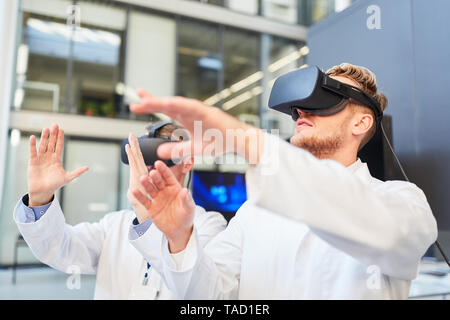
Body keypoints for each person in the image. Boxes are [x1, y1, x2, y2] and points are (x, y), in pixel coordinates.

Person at [127, 63, 438, 299]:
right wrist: (180, 238)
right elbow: (207, 293)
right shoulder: (254, 211)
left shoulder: (402, 201)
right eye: (299, 106)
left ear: (361, 121)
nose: (301, 110)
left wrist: (248, 141)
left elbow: (382, 229)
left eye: (325, 100)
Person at [13, 122, 227, 299]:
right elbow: (59, 249)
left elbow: (201, 293)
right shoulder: (114, 226)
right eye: (144, 155)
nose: (150, 166)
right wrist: (40, 199)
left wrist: (145, 217)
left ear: (187, 162)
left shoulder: (208, 225)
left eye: (161, 154)